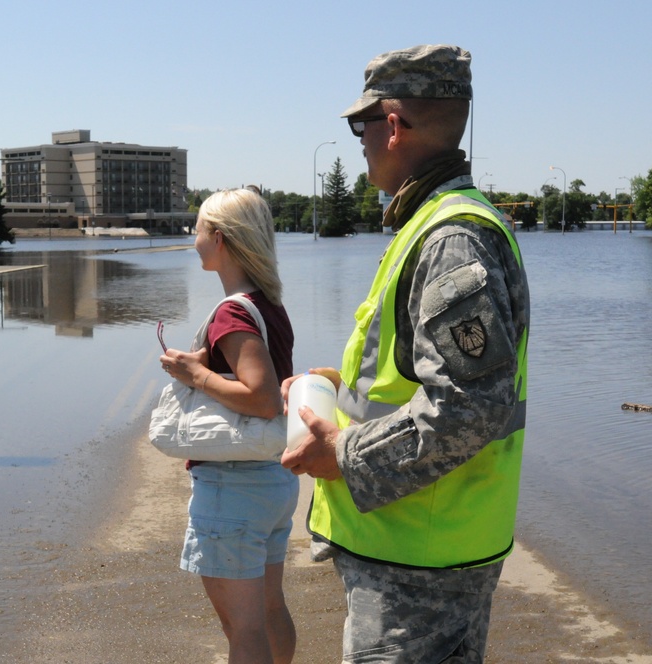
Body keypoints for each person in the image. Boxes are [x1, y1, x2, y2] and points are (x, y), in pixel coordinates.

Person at [280, 45, 530, 662]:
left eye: (360, 125)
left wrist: (341, 452)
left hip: (420, 558)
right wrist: (338, 387)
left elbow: (470, 407)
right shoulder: (440, 224)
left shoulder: (450, 237)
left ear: (392, 126)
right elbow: (424, 375)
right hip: (428, 545)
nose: (358, 141)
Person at [160, 187, 299, 664]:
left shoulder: (232, 311)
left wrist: (196, 374)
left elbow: (261, 397)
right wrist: (207, 362)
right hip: (273, 478)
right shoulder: (267, 304)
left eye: (197, 228)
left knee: (242, 630)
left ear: (218, 239)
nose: (193, 237)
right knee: (268, 609)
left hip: (233, 485)